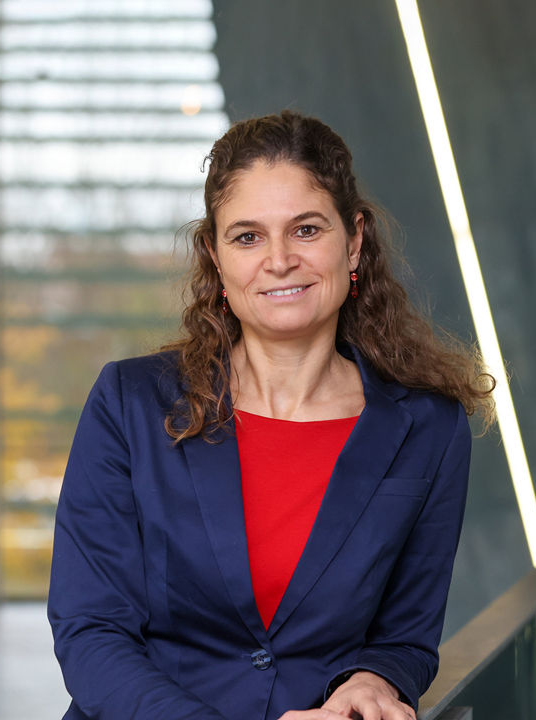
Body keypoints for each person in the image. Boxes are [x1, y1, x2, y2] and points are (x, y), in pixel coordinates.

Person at [48, 110, 494, 720]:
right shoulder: (130, 401)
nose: (279, 259)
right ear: (216, 255)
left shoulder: (428, 428)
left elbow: (405, 637)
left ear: (354, 239)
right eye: (248, 236)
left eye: (306, 230)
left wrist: (375, 678)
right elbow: (91, 630)